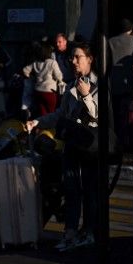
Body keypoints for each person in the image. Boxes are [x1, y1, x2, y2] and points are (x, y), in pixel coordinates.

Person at [27, 41, 99, 251]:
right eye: (72, 58)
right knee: (71, 189)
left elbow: (96, 117)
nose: (74, 62)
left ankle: (89, 232)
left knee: (89, 191)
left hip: (89, 147)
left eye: (78, 57)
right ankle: (70, 233)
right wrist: (38, 122)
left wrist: (86, 95)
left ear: (90, 59)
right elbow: (61, 114)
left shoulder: (98, 85)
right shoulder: (71, 85)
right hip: (71, 145)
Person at [22, 41, 65, 117]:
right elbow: (59, 77)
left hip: (38, 91)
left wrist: (32, 77)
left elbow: (25, 70)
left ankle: (42, 127)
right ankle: (50, 128)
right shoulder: (52, 62)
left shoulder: (35, 63)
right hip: (50, 92)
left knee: (42, 114)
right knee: (52, 113)